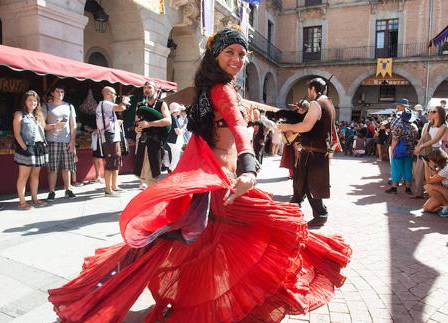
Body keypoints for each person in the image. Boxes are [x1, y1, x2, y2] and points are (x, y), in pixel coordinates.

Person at [48, 25, 350, 322]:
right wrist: (248, 169)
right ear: (215, 54)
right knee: (265, 229)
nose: (237, 58)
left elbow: (214, 135)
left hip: (212, 177)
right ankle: (115, 298)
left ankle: (122, 296)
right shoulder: (222, 91)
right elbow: (238, 130)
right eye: (230, 52)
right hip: (219, 180)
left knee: (195, 242)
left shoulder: (213, 88)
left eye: (242, 54)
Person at [277, 77, 336, 228]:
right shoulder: (329, 104)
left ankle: (320, 215)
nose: (309, 92)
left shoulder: (317, 103)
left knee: (311, 186)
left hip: (313, 152)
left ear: (313, 89)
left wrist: (287, 127)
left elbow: (306, 126)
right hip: (314, 152)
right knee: (299, 183)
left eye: (309, 89)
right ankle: (293, 209)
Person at [13, 90, 49, 209]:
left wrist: (55, 126)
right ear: (25, 101)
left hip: (39, 147)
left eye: (35, 100)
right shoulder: (19, 114)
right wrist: (24, 148)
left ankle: (35, 199)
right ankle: (22, 202)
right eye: (30, 100)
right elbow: (17, 134)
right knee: (23, 176)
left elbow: (43, 128)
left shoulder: (38, 115)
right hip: (26, 147)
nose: (33, 102)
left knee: (35, 175)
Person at [133, 80, 171, 187]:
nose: (146, 90)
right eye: (145, 88)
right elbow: (136, 123)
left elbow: (168, 121)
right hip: (143, 141)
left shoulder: (161, 103)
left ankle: (152, 197)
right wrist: (137, 129)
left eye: (149, 87)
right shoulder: (140, 105)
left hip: (155, 142)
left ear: (156, 90)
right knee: (142, 172)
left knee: (153, 173)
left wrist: (149, 124)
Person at [44, 85, 77, 200]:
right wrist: (54, 125)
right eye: (57, 91)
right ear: (52, 93)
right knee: (52, 168)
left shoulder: (69, 106)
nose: (60, 93)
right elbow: (41, 125)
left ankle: (68, 189)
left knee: (67, 167)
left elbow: (73, 125)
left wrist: (72, 142)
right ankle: (51, 192)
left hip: (67, 140)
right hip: (52, 140)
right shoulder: (47, 106)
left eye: (62, 91)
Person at [96, 86, 129, 196]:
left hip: (113, 136)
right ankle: (108, 189)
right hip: (109, 136)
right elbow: (121, 108)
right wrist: (124, 101)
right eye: (113, 93)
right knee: (111, 162)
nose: (115, 96)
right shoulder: (105, 103)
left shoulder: (106, 105)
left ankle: (114, 186)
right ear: (107, 94)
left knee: (116, 160)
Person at [385, 108, 418, 194]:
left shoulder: (399, 126)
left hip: (399, 151)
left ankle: (394, 188)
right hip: (410, 151)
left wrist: (392, 149)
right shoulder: (414, 126)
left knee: (396, 169)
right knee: (408, 169)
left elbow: (395, 139)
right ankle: (407, 188)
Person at [163, 102, 184, 172]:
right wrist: (183, 129)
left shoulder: (171, 118)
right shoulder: (173, 118)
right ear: (176, 110)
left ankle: (170, 170)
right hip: (174, 141)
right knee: (175, 159)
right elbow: (177, 131)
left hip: (171, 140)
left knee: (173, 158)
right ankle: (171, 171)